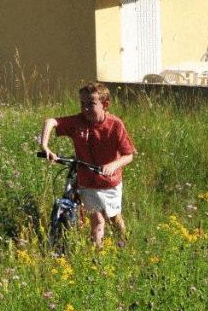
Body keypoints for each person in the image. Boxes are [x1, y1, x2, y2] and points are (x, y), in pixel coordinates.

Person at [40, 82, 136, 247]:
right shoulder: (78, 122)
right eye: (82, 104)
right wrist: (45, 146)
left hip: (110, 182)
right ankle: (97, 254)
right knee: (97, 220)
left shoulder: (115, 125)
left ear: (105, 104)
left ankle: (124, 244)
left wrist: (113, 165)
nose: (85, 109)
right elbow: (51, 121)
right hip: (87, 181)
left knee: (114, 217)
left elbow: (129, 155)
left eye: (91, 104)